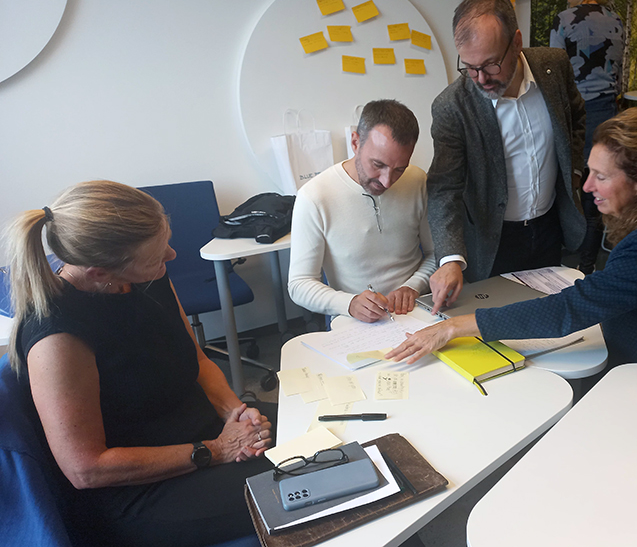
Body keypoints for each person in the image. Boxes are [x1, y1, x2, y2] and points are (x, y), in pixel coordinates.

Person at [388, 108, 637, 402]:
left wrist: (454, 326)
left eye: (601, 177)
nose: (588, 187)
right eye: (589, 171)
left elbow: (567, 310)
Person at [6, 181, 274, 547]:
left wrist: (236, 412)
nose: (172, 255)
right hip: (143, 490)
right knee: (315, 480)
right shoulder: (57, 337)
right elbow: (87, 468)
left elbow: (195, 358)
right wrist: (216, 450)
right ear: (100, 272)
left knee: (335, 430)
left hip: (205, 434)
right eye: (156, 255)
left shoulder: (144, 278)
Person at [427, 0, 587, 312]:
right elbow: (444, 189)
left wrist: (574, 172)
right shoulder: (452, 107)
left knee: (552, 319)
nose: (480, 78)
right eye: (469, 67)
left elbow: (577, 117)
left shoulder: (553, 67)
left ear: (516, 42)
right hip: (494, 240)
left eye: (490, 64)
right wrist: (450, 258)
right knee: (502, 332)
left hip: (551, 227)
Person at [287, 99, 437, 323]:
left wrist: (412, 287)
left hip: (419, 308)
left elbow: (437, 253)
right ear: (355, 142)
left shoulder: (417, 180)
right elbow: (299, 284)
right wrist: (349, 303)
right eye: (378, 165)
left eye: (399, 169)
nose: (387, 181)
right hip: (354, 318)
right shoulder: (315, 196)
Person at [551, 0, 624, 274]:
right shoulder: (615, 19)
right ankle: (587, 266)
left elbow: (554, 78)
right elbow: (616, 75)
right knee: (597, 193)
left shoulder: (565, 21)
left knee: (565, 188)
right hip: (609, 115)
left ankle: (554, 267)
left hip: (575, 117)